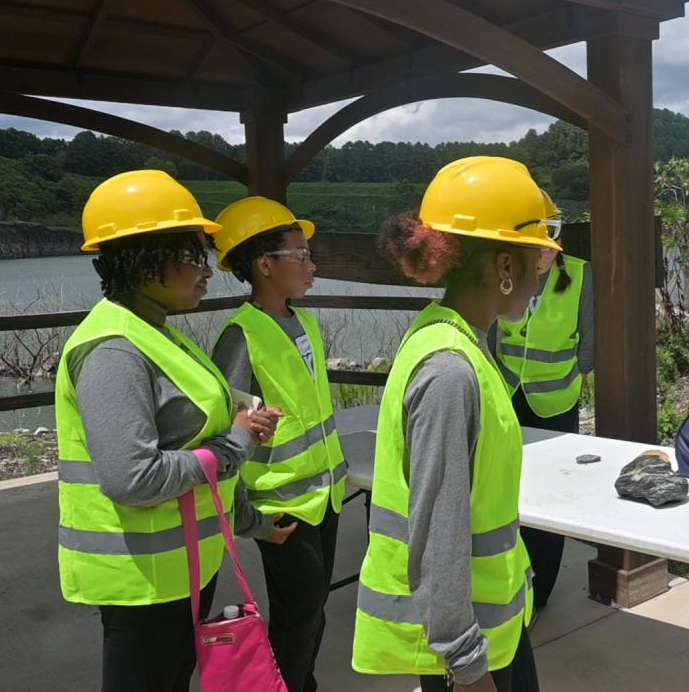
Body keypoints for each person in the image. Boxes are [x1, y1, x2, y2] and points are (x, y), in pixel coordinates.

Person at [55, 170, 281, 691]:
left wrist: (247, 508)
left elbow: (188, 434)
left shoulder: (154, 331)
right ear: (144, 259)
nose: (206, 273)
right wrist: (238, 442)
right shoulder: (114, 349)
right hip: (142, 581)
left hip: (181, 568)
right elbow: (131, 478)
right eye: (191, 257)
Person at [352, 156, 561, 692]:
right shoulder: (449, 369)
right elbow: (437, 534)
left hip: (493, 631)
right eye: (538, 258)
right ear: (504, 267)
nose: (544, 273)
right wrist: (466, 666)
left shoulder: (454, 339)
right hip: (465, 652)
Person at [210, 196, 347, 692]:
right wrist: (252, 521)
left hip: (325, 496)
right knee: (297, 617)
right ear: (264, 265)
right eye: (301, 256)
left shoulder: (303, 321)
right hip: (283, 509)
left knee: (313, 611)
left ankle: (299, 684)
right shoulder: (240, 338)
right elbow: (224, 441)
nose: (312, 265)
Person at [489, 199, 594, 609]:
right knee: (508, 489)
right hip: (509, 396)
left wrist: (581, 372)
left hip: (557, 401)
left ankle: (542, 588)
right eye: (537, 241)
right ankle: (512, 579)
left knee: (551, 493)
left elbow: (590, 334)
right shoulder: (507, 274)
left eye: (551, 238)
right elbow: (494, 331)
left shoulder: (581, 274)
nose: (545, 249)